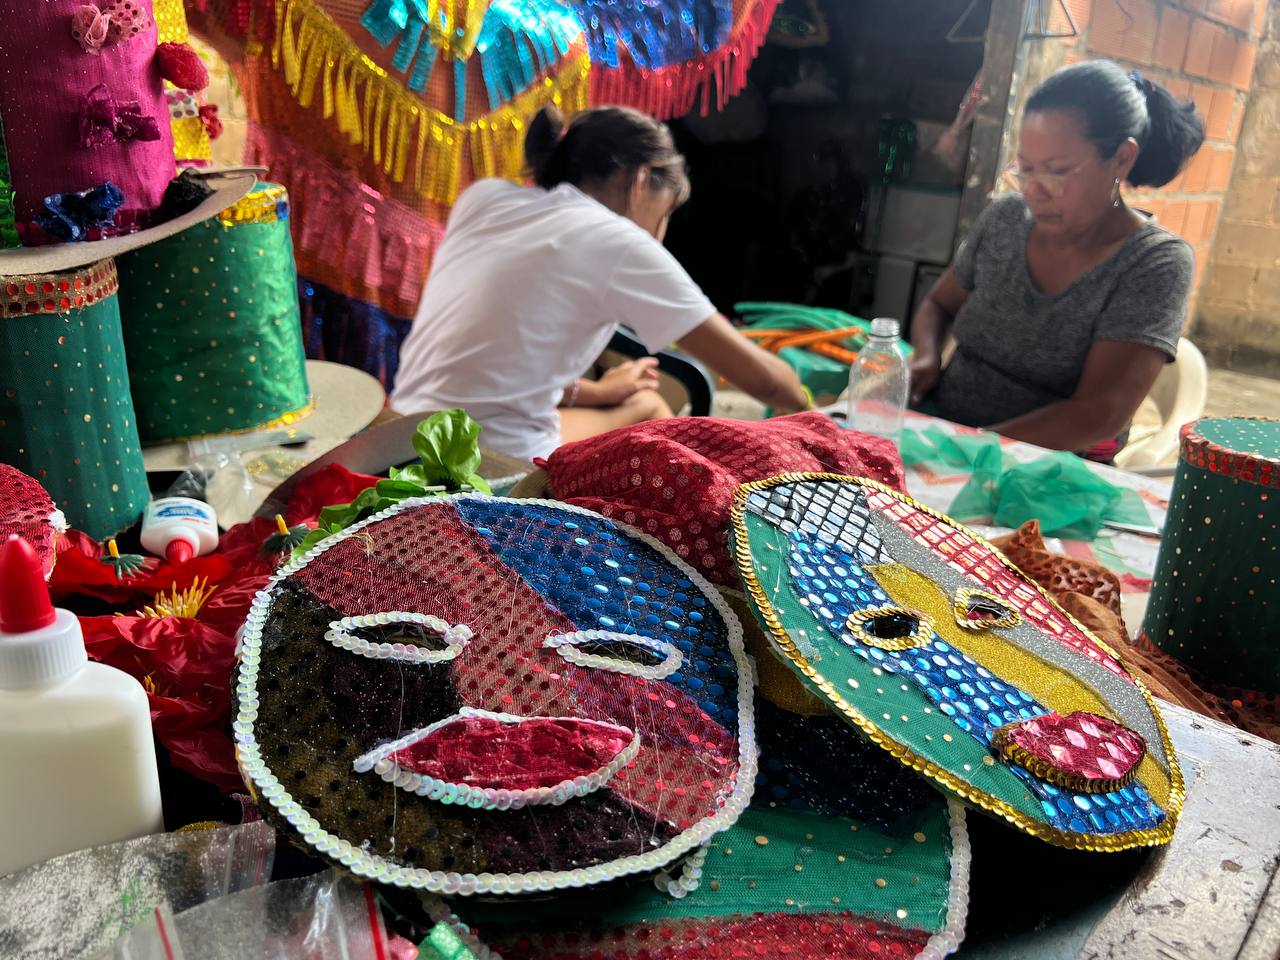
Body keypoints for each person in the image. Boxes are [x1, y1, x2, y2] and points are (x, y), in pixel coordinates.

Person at [390, 105, 807, 460]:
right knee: (650, 405)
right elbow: (764, 381)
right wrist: (816, 411)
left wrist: (593, 392)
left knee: (629, 403)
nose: (658, 234)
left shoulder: (484, 199)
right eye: (664, 215)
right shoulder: (617, 240)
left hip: (400, 437)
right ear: (641, 181)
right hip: (485, 459)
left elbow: (497, 355)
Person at [909, 60, 1205, 460]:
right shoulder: (1005, 219)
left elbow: (1100, 412)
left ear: (1121, 159)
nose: (1034, 190)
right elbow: (939, 304)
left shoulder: (1153, 263)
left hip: (1050, 468)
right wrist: (926, 358)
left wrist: (974, 446)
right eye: (1025, 169)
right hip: (947, 434)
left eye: (1057, 171)